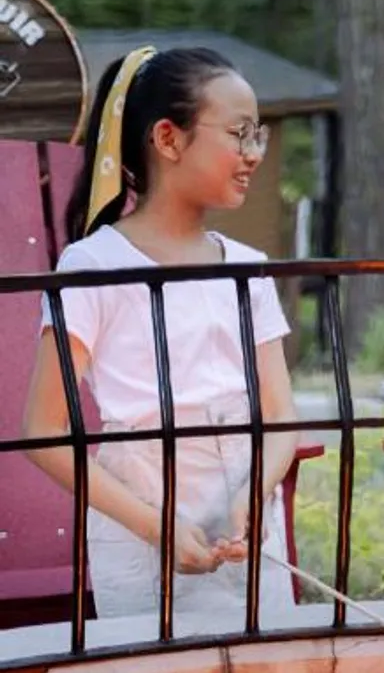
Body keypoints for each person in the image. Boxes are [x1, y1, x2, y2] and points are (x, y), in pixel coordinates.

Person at [21, 46, 301, 626]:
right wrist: (159, 527)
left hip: (249, 540)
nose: (253, 153)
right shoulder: (94, 267)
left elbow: (280, 417)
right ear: (168, 139)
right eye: (238, 134)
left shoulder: (247, 268)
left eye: (258, 136)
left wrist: (253, 495)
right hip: (142, 535)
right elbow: (44, 432)